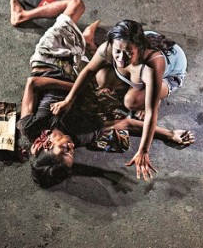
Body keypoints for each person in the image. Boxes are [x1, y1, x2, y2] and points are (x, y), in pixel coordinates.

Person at [9, 0, 194, 186]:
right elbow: (126, 123)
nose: (72, 147)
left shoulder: (31, 127)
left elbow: (33, 83)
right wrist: (169, 134)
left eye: (65, 149)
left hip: (50, 64)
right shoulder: (82, 135)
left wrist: (73, 95)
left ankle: (22, 16)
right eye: (72, 153)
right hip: (80, 72)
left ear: (47, 145)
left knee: (76, 4)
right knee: (118, 90)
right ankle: (88, 44)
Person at [49, 18, 190, 180]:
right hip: (141, 48)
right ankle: (92, 45)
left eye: (128, 53)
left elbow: (151, 113)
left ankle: (150, 92)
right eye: (117, 51)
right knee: (101, 77)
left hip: (170, 74)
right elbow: (88, 71)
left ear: (139, 48)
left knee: (132, 101)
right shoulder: (110, 48)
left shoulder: (152, 65)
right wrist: (68, 100)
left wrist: (144, 150)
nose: (121, 57)